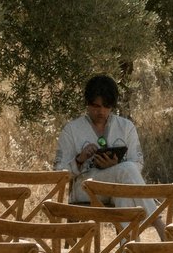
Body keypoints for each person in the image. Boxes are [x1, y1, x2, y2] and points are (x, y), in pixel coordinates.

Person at [56, 74, 144, 207]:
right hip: (86, 188)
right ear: (88, 103)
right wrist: (79, 160)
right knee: (126, 174)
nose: (101, 111)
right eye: (96, 106)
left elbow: (138, 163)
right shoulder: (72, 130)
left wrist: (115, 166)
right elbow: (58, 173)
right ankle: (157, 222)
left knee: (124, 189)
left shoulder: (126, 127)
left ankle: (130, 228)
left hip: (117, 188)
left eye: (106, 106)